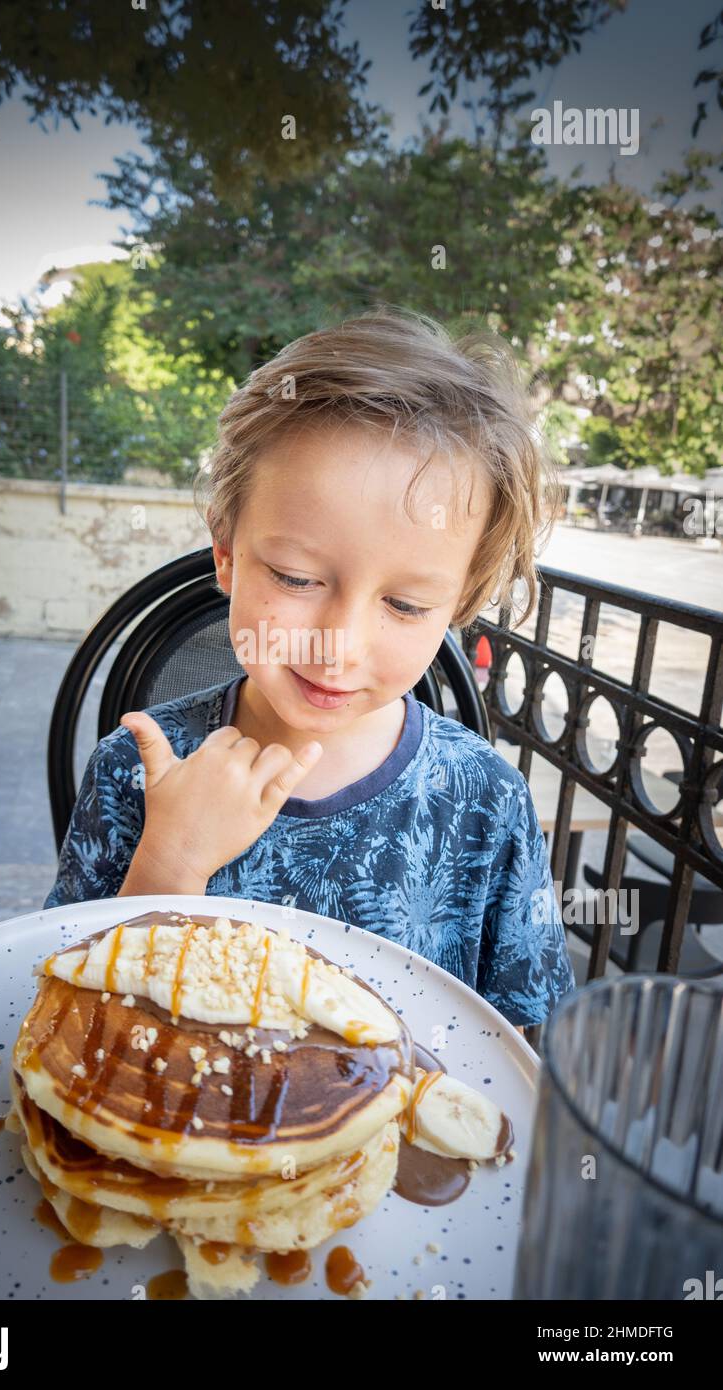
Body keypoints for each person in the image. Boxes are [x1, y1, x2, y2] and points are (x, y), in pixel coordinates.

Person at [43, 306, 576, 1033]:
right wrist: (169, 864)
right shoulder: (133, 774)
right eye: (296, 578)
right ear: (227, 552)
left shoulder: (486, 804)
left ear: (461, 602)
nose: (340, 646)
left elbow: (528, 1046)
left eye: (406, 603)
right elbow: (66, 1021)